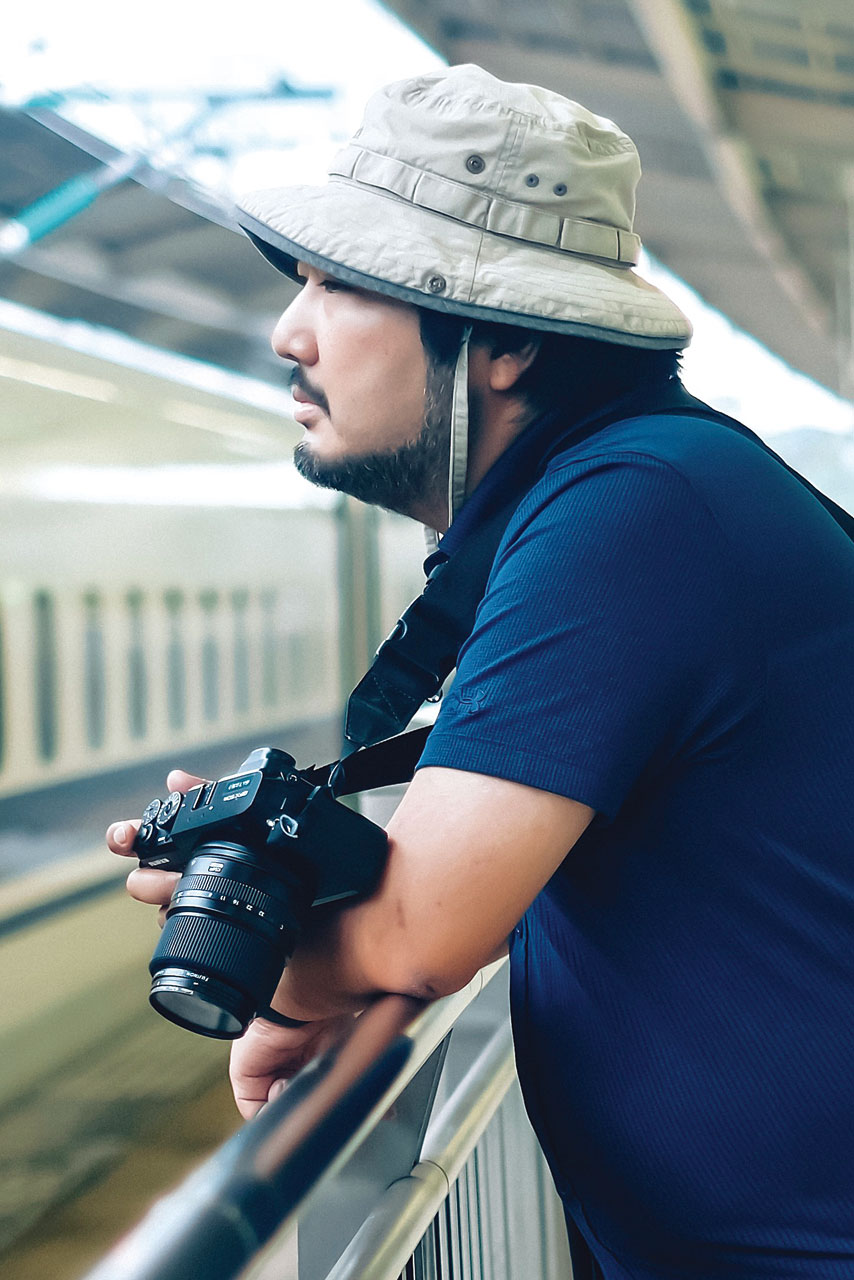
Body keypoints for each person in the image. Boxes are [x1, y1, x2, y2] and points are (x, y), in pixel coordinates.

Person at [107, 65, 854, 1279]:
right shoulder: (627, 488)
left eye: (340, 285)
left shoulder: (632, 507)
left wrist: (270, 970)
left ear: (502, 338)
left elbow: (417, 931)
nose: (288, 332)